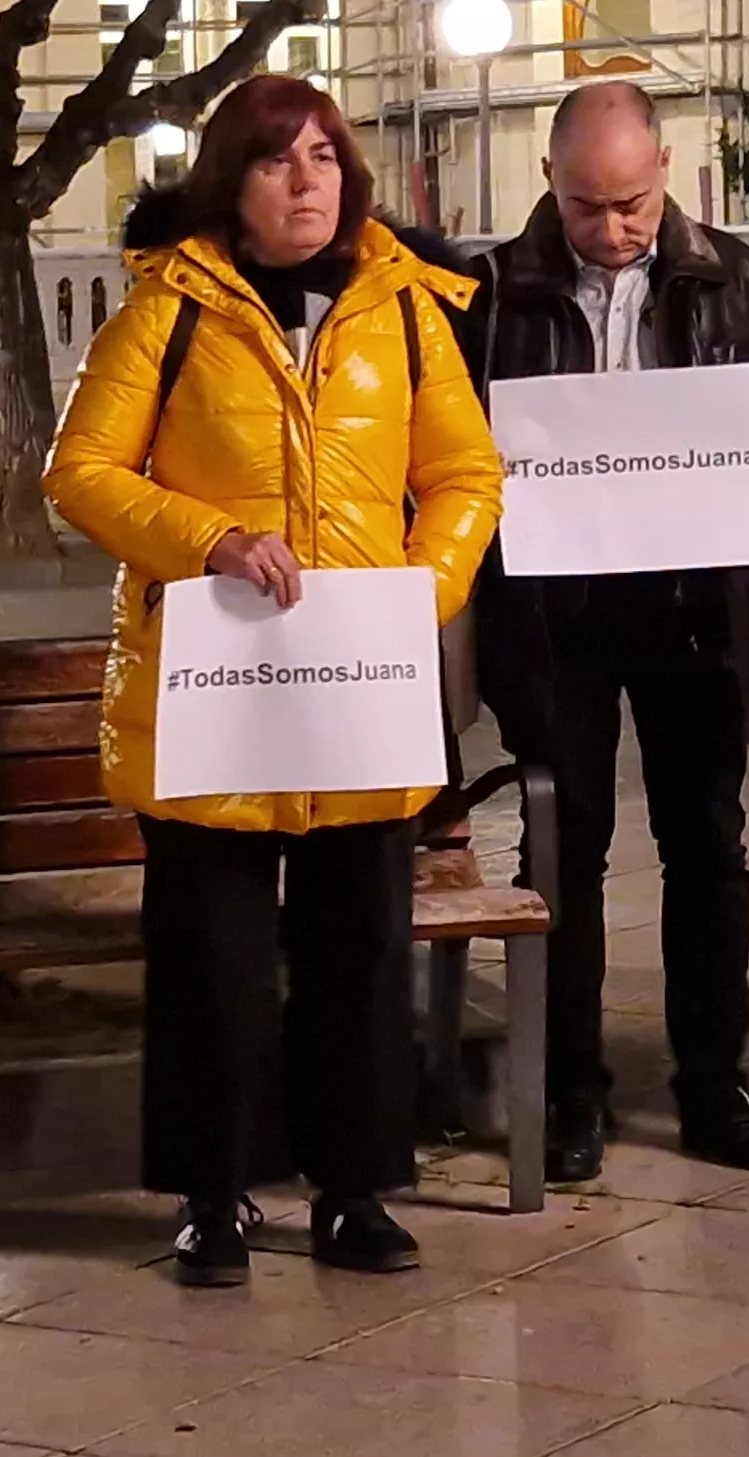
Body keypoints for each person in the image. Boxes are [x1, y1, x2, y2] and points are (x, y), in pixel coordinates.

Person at [46, 75, 505, 1285]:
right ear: (228, 184)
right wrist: (205, 538)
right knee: (214, 956)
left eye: (322, 156)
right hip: (216, 684)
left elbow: (466, 473)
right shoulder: (168, 310)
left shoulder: (405, 310)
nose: (307, 180)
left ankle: (355, 1189)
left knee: (360, 944)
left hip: (358, 671)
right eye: (275, 160)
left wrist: (420, 586)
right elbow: (81, 470)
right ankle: (214, 1193)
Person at [457, 79, 749, 1178]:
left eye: (630, 205)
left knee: (706, 846)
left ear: (666, 168)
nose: (610, 231)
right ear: (550, 184)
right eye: (584, 206)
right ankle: (570, 1093)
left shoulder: (731, 274)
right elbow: (454, 436)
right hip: (554, 613)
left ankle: (714, 1083)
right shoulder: (494, 289)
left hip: (694, 608)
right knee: (565, 850)